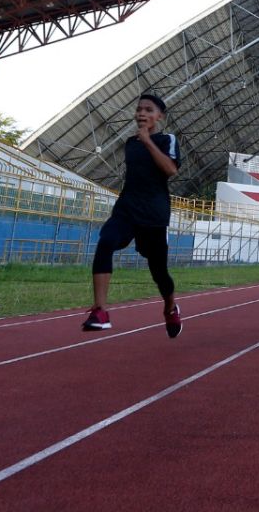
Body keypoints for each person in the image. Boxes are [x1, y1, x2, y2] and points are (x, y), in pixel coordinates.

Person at [82, 93, 182, 338]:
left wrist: (148, 141)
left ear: (160, 116)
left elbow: (170, 170)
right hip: (127, 210)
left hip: (154, 216)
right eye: (139, 109)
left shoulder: (167, 140)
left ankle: (170, 307)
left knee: (159, 274)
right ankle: (100, 311)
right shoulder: (130, 143)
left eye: (148, 110)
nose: (142, 113)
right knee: (105, 241)